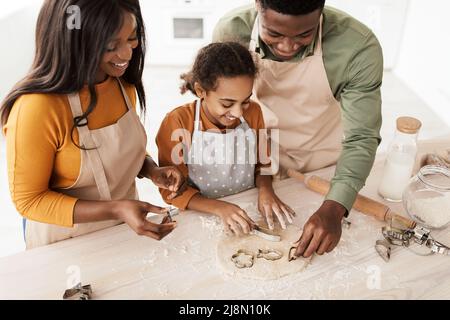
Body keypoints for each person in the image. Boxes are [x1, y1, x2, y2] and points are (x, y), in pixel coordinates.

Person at [1, 0, 185, 249]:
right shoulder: (37, 108)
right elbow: (30, 201)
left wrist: (150, 169)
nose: (127, 54)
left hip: (124, 230)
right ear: (74, 42)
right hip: (66, 243)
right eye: (111, 46)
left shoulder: (121, 83)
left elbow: (115, 151)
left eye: (131, 38)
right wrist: (117, 209)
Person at [213, 0, 383, 257]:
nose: (287, 46)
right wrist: (261, 177)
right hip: (258, 157)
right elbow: (221, 108)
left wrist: (335, 206)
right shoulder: (232, 31)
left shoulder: (357, 47)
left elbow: (361, 137)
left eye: (304, 34)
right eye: (274, 33)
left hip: (323, 165)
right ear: (257, 4)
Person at [156, 42, 296, 235]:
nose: (238, 112)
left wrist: (266, 190)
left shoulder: (254, 112)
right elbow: (170, 191)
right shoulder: (178, 122)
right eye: (227, 103)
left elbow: (263, 163)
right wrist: (220, 208)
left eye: (245, 101)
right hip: (201, 214)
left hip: (248, 204)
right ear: (200, 91)